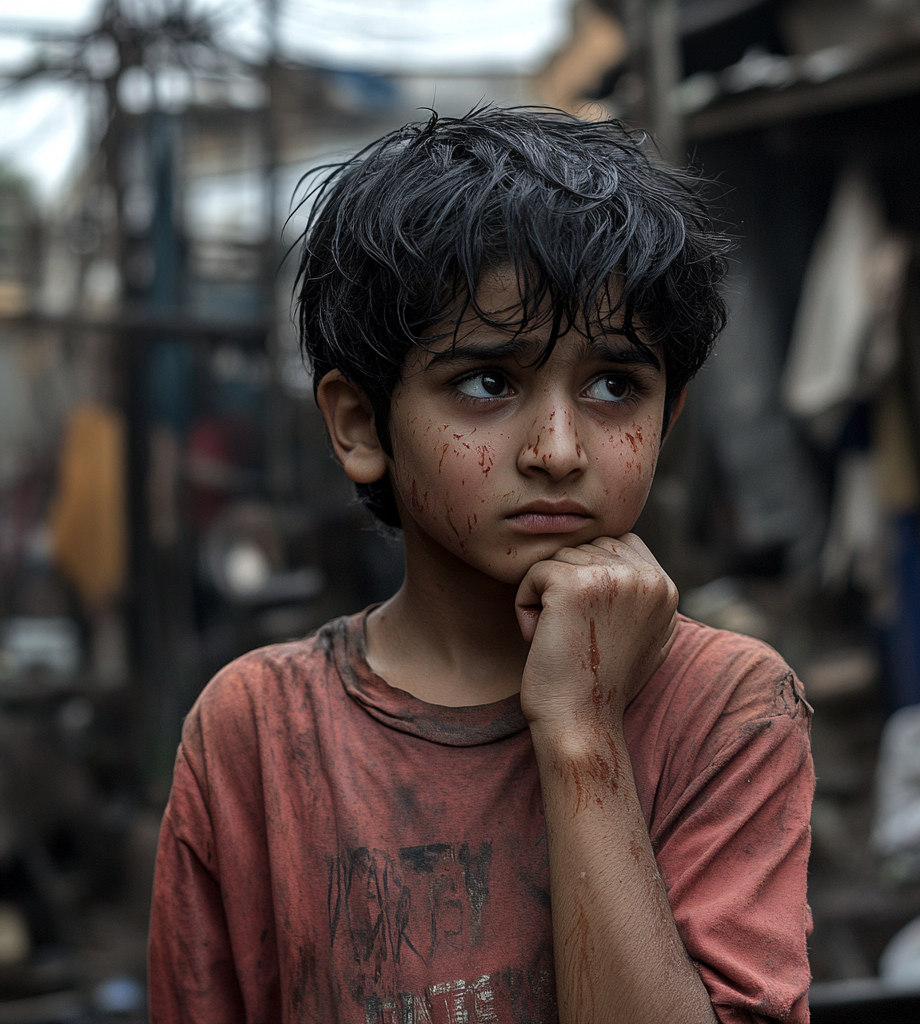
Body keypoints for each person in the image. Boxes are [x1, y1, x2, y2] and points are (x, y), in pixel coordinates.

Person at [148, 107, 814, 1024]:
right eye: (487, 382)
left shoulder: (727, 706)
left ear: (670, 417)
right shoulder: (257, 728)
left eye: (615, 384)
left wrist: (583, 733)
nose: (558, 447)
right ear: (359, 425)